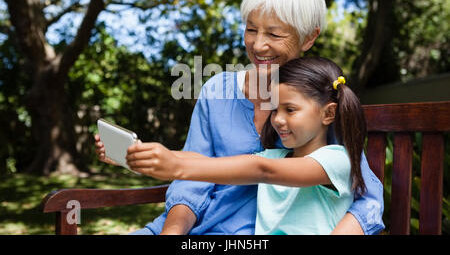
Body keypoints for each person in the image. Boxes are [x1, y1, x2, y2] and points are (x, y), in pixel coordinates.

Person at [95, 0, 384, 235]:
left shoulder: (319, 102)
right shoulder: (217, 91)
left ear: (308, 38)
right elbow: (194, 176)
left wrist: (174, 165)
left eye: (274, 33)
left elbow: (366, 198)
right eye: (251, 29)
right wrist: (143, 159)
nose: (258, 45)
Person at [126, 57, 368, 234]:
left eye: (290, 110)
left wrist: (176, 167)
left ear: (328, 114)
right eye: (275, 109)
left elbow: (260, 169)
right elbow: (210, 162)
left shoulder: (337, 160)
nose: (278, 120)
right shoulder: (275, 156)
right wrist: (144, 154)